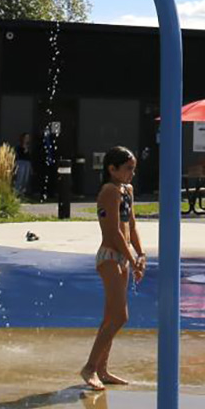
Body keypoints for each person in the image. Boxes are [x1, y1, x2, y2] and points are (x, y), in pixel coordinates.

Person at [82, 146, 146, 391]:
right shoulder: (109, 191)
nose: (132, 174)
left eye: (133, 169)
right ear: (112, 169)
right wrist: (131, 257)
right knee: (121, 316)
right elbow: (114, 231)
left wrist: (140, 254)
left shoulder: (127, 190)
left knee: (111, 317)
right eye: (128, 169)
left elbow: (132, 225)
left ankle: (101, 369)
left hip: (123, 257)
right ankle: (89, 367)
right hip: (110, 257)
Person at [13, 132, 33, 197]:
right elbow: (17, 155)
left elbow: (29, 157)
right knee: (20, 177)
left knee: (26, 179)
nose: (27, 139)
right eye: (26, 137)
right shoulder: (19, 146)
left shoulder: (29, 147)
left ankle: (22, 192)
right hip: (21, 163)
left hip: (27, 163)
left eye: (28, 138)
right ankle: (16, 192)